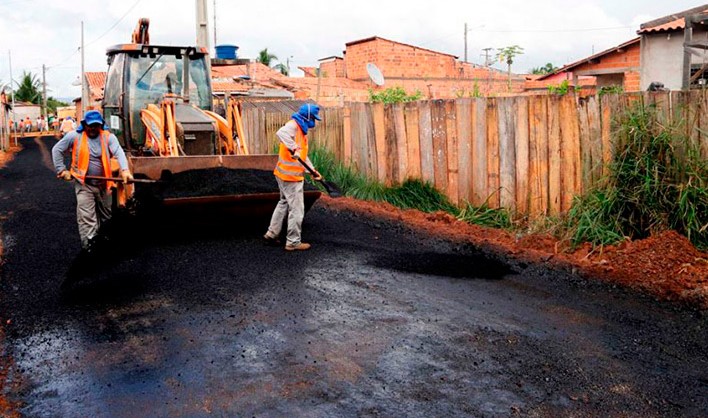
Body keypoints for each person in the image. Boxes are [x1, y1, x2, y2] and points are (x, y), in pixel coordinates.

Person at [51, 110, 133, 254]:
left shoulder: (108, 137)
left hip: (104, 184)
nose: (93, 128)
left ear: (101, 125)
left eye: (96, 125)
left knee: (107, 216)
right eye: (90, 126)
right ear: (84, 125)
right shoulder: (74, 136)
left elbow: (119, 152)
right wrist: (62, 170)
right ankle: (90, 249)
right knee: (87, 218)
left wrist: (125, 170)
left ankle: (105, 243)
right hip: (84, 184)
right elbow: (56, 149)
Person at [263, 103, 323, 251]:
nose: (313, 122)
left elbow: (302, 156)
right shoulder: (293, 126)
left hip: (283, 174)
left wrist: (312, 171)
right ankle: (293, 242)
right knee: (296, 209)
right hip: (290, 178)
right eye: (313, 118)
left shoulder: (300, 130)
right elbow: (280, 133)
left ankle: (272, 233)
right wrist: (293, 147)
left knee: (283, 202)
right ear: (307, 116)